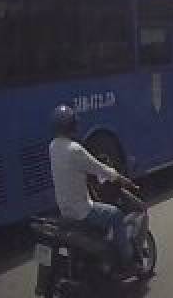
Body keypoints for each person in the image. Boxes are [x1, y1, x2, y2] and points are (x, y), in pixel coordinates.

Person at [48, 105, 140, 270]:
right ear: (73, 126)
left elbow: (73, 171)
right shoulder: (75, 150)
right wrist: (123, 180)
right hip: (82, 211)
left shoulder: (53, 147)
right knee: (116, 215)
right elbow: (101, 169)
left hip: (64, 210)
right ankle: (128, 262)